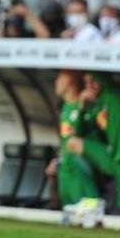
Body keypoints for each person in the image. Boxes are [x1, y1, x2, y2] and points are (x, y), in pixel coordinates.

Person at [65, 72, 120, 214]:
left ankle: (97, 205)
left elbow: (106, 83)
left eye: (93, 81)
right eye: (86, 83)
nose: (90, 86)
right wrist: (82, 107)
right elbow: (80, 132)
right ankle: (90, 201)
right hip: (112, 155)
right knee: (73, 144)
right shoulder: (98, 105)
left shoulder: (114, 96)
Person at [46, 69, 102, 220]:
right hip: (66, 171)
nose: (56, 82)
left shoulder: (86, 108)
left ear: (70, 82)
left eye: (60, 78)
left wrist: (82, 109)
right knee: (69, 219)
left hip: (80, 171)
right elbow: (66, 141)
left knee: (88, 215)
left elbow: (92, 139)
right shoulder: (65, 108)